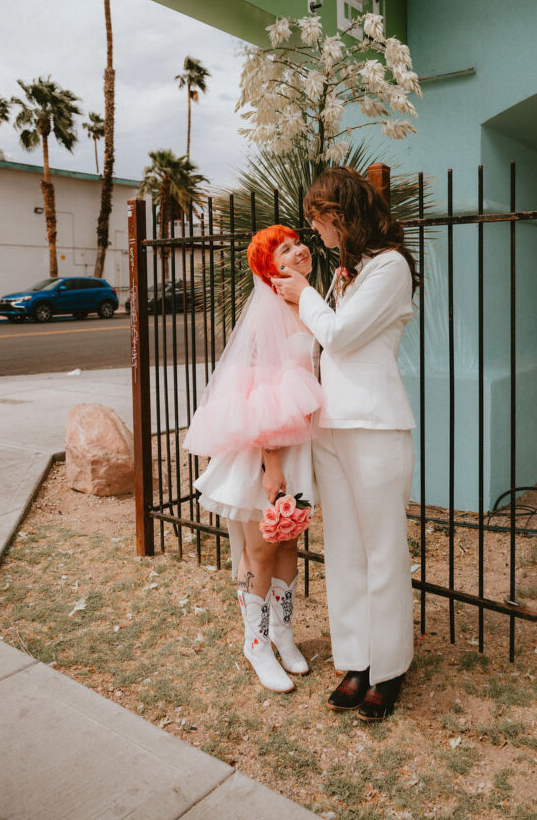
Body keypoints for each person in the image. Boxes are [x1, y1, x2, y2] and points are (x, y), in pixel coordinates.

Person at [273, 166, 417, 721]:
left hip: (376, 425)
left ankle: (389, 669)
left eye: (320, 218)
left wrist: (305, 294)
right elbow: (319, 345)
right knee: (345, 551)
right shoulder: (343, 275)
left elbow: (341, 335)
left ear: (344, 214)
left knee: (383, 550)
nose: (316, 229)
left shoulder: (390, 268)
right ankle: (356, 660)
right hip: (330, 425)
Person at [183, 225, 322, 693]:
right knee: (258, 549)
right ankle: (256, 642)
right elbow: (264, 395)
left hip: (298, 447)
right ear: (270, 269)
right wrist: (272, 464)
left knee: (288, 543)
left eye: (297, 243)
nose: (299, 250)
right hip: (268, 451)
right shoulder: (269, 316)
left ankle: (282, 631)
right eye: (285, 250)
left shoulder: (304, 304)